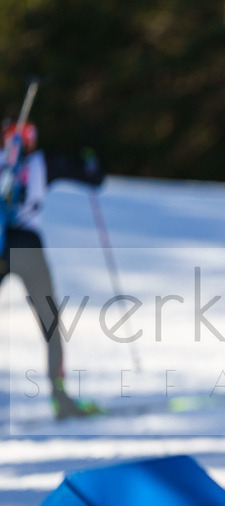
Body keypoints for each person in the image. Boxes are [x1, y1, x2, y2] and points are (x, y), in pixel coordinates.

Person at [1, 118, 105, 419]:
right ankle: (60, 397)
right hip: (28, 247)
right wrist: (90, 158)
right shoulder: (40, 163)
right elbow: (93, 178)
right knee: (49, 322)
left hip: (1, 242)